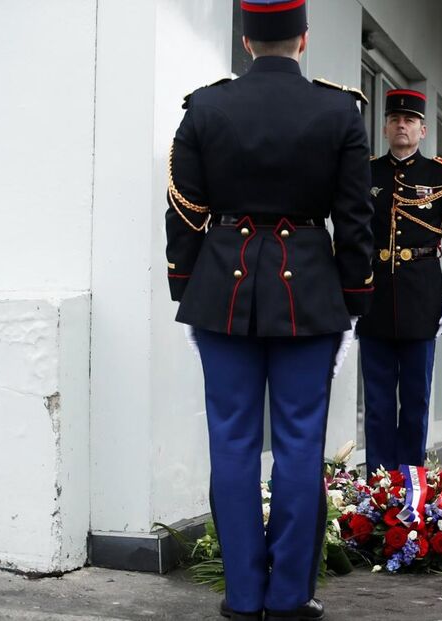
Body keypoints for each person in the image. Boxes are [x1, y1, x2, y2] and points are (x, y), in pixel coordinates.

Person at [164, 1, 374, 618]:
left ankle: (241, 597)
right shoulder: (339, 109)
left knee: (230, 444)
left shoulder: (205, 105)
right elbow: (356, 218)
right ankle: (287, 599)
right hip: (309, 293)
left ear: (246, 41)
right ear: (303, 40)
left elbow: (183, 210)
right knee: (300, 445)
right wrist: (353, 298)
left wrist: (187, 285)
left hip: (221, 291)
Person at [357, 89, 442, 478]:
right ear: (386, 126)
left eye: (409, 121)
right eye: (394, 120)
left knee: (415, 400)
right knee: (376, 402)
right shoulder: (365, 173)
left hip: (422, 299)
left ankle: (410, 484)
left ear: (423, 130)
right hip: (374, 298)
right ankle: (377, 484)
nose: (401, 125)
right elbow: (351, 236)